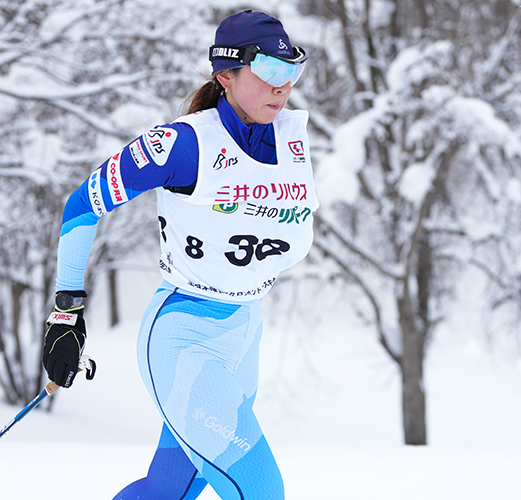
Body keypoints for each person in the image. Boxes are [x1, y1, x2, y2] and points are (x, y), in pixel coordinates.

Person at [42, 10, 317, 500]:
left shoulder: (291, 140)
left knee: (166, 490)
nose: (284, 87)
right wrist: (66, 314)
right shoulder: (182, 144)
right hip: (183, 340)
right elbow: (82, 204)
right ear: (225, 76)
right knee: (260, 491)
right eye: (270, 71)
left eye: (292, 71)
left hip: (243, 335)